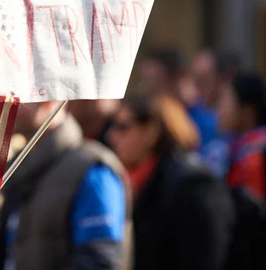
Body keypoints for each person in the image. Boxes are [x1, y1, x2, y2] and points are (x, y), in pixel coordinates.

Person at [0, 102, 132, 270]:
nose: (5, 102)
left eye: (16, 94)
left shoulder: (91, 168)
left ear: (49, 100)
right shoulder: (20, 170)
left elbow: (100, 260)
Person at [109, 95, 234, 270]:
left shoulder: (193, 185)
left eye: (123, 127)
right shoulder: (127, 182)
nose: (112, 136)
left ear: (150, 132)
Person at [140, 48, 225, 175]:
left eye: (155, 81)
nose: (148, 89)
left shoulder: (208, 121)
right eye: (145, 80)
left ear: (176, 77)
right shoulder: (154, 118)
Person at [217, 72, 266, 270]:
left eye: (225, 100)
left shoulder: (254, 160)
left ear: (247, 111)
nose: (219, 109)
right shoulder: (236, 151)